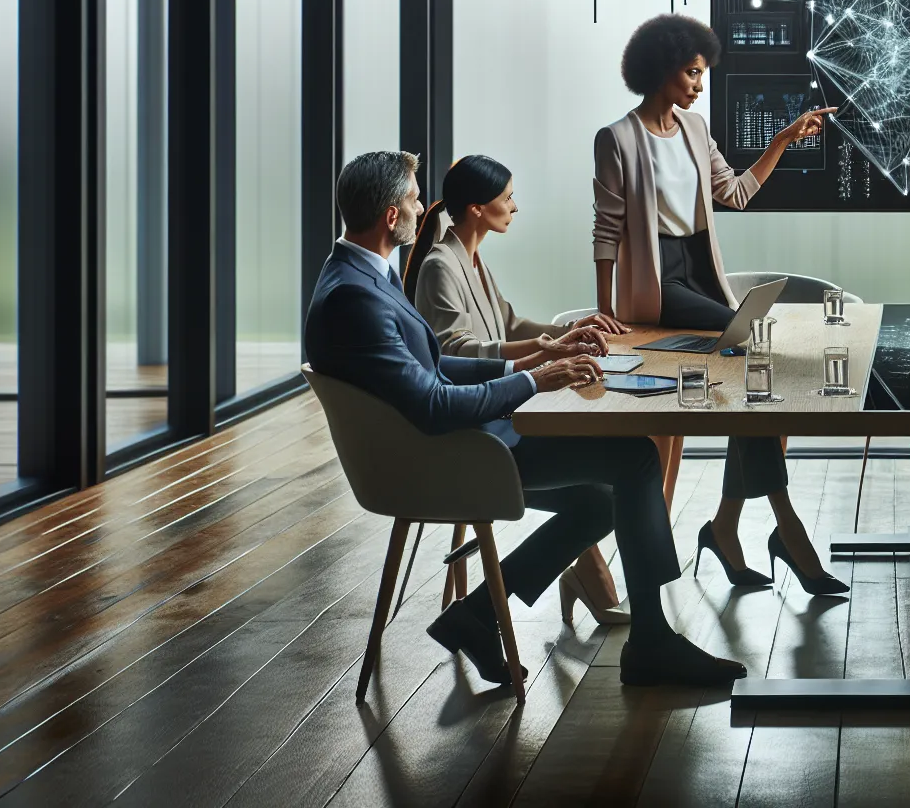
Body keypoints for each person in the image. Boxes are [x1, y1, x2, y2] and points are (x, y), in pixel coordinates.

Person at [307, 151, 744, 687]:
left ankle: (477, 615)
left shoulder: (356, 276)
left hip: (454, 443)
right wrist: (536, 380)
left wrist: (531, 362)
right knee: (635, 459)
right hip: (449, 455)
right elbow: (432, 403)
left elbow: (435, 364)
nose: (425, 209)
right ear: (391, 218)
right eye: (414, 201)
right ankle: (652, 642)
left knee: (600, 498)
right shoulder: (357, 296)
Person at [592, 14, 846, 596]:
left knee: (753, 372)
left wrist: (783, 138)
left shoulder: (695, 129)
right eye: (691, 73)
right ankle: (782, 526)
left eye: (701, 74)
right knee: (753, 349)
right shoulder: (616, 139)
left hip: (700, 274)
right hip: (659, 282)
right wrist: (606, 312)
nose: (699, 85)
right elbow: (606, 231)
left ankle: (726, 527)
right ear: (660, 70)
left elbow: (734, 194)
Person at [405, 153, 631, 627]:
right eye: (507, 198)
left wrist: (567, 330)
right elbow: (458, 350)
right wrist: (546, 350)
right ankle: (508, 605)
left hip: (498, 424)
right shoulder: (440, 266)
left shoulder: (470, 257)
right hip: (481, 436)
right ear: (476, 209)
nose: (515, 207)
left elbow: (508, 322)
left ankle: (491, 610)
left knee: (604, 492)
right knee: (618, 476)